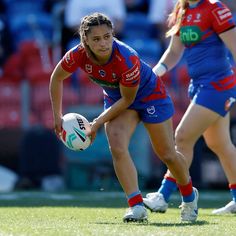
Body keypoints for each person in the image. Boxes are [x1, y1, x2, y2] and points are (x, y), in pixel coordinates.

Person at [49, 12, 198, 222]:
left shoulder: (126, 58)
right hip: (117, 97)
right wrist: (57, 115)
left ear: (113, 34)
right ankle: (136, 206)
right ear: (85, 41)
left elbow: (128, 100)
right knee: (117, 146)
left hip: (149, 97)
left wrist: (96, 123)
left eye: (107, 36)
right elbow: (56, 78)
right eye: (96, 39)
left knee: (166, 154)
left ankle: (190, 198)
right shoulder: (77, 54)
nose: (103, 43)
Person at [143, 0, 236, 215]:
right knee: (220, 144)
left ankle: (163, 196)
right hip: (199, 86)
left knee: (183, 136)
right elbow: (175, 51)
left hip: (217, 86)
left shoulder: (215, 7)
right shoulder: (182, 10)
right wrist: (157, 71)